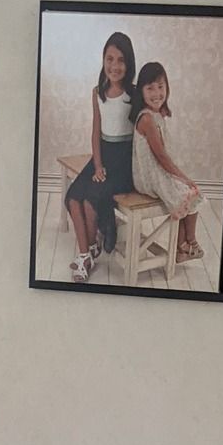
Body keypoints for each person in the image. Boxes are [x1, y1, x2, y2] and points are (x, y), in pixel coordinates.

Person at [64, 31, 136, 283]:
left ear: (129, 64)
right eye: (110, 58)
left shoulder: (133, 95)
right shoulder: (98, 92)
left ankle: (90, 250)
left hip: (123, 162)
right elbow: (96, 132)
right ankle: (86, 253)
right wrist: (97, 165)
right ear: (103, 60)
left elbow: (143, 132)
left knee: (90, 200)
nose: (114, 66)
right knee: (73, 197)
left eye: (121, 60)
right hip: (102, 156)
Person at [130, 61, 203, 264]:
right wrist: (182, 177)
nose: (157, 93)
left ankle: (184, 246)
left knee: (188, 193)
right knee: (190, 192)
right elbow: (161, 156)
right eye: (150, 88)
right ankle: (188, 243)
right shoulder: (146, 119)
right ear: (142, 92)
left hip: (156, 172)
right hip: (149, 178)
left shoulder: (157, 115)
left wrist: (180, 176)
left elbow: (164, 155)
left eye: (161, 86)